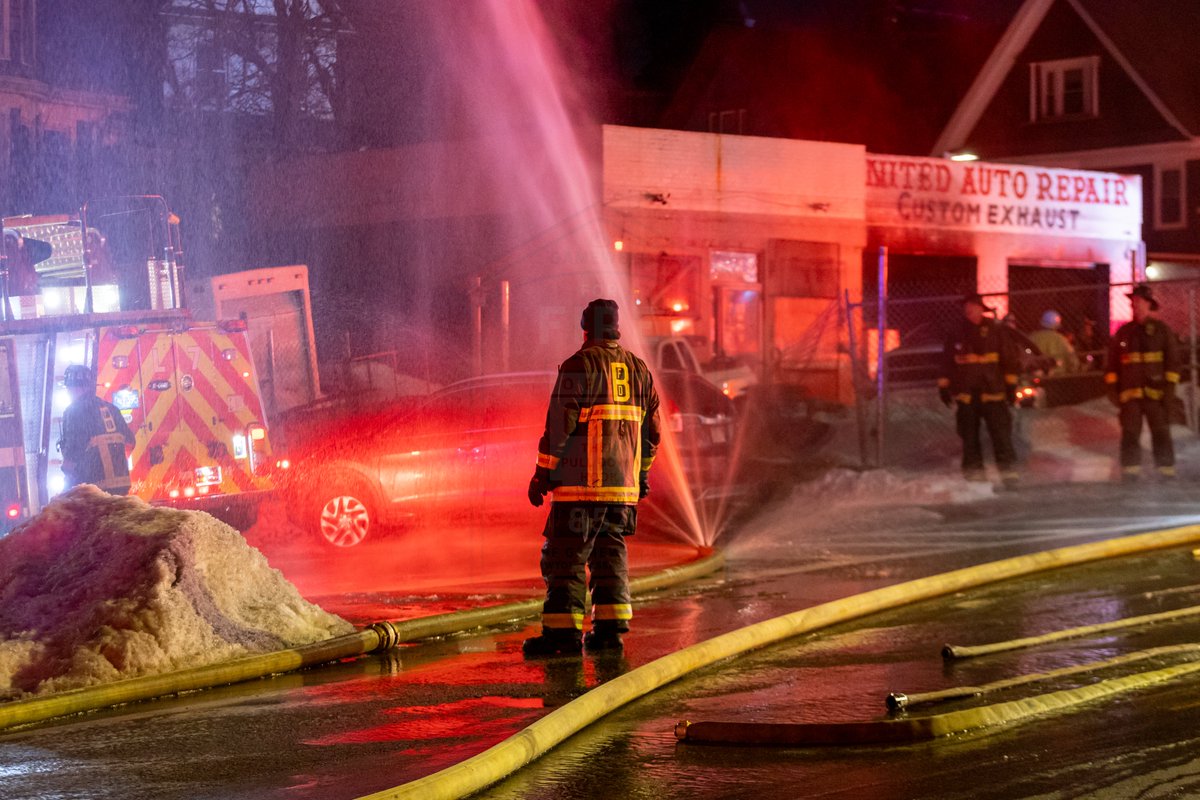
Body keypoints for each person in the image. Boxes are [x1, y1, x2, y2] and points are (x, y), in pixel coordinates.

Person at [523, 299, 662, 657]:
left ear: (585, 330)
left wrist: (542, 475)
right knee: (609, 557)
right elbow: (652, 434)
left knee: (565, 560)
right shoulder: (640, 370)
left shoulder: (579, 365)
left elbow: (560, 427)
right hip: (622, 491)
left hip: (580, 488)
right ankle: (609, 633)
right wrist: (641, 476)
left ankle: (562, 637)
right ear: (616, 328)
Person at [937, 293, 1021, 486]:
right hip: (967, 393)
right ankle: (975, 478)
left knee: (1001, 435)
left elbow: (1009, 359)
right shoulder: (956, 332)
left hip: (993, 391)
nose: (968, 310)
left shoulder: (996, 330)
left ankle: (1009, 476)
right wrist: (944, 387)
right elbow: (946, 361)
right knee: (969, 437)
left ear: (981, 308)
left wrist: (1010, 386)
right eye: (966, 307)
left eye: (972, 306)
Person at [1105, 284, 1180, 481]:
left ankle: (1166, 470)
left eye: (1139, 301)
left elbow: (1173, 364)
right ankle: (1130, 472)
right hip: (1130, 396)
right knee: (1130, 433)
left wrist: (1169, 391)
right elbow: (1112, 365)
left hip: (1156, 394)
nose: (1134, 305)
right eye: (1133, 301)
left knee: (1161, 431)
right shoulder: (1124, 332)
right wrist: (1112, 389)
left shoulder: (1162, 331)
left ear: (1148, 304)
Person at [59, 364, 137, 495]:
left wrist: (68, 476)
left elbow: (73, 449)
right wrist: (116, 462)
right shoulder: (112, 408)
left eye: (68, 388)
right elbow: (130, 442)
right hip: (121, 486)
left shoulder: (73, 411)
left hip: (94, 489)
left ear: (73, 388)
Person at [1028, 309, 1080, 374]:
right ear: (1057, 326)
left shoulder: (1032, 337)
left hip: (1033, 375)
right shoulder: (1060, 339)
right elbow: (1073, 360)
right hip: (1057, 376)